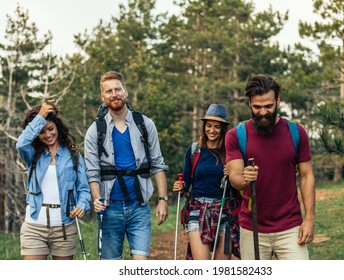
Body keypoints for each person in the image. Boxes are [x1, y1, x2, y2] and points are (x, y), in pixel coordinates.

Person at [225, 74, 315, 260]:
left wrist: (309, 219)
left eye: (268, 106)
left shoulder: (296, 132)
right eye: (257, 107)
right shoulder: (235, 135)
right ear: (249, 102)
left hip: (290, 226)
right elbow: (234, 176)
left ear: (278, 100)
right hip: (252, 228)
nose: (263, 112)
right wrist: (244, 179)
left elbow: (306, 176)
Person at [84, 71, 169, 260]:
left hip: (139, 206)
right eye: (109, 91)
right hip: (109, 208)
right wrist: (97, 198)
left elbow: (157, 163)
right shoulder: (95, 131)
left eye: (117, 89)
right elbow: (92, 171)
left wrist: (163, 199)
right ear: (102, 96)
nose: (114, 94)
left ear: (125, 91)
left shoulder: (145, 124)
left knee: (140, 264)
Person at [16, 101, 91, 260]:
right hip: (34, 227)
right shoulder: (32, 154)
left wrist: (82, 205)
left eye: (50, 129)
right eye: (42, 131)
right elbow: (21, 143)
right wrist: (41, 117)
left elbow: (83, 189)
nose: (48, 135)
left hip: (64, 227)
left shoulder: (73, 155)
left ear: (58, 128)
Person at [173, 103, 240, 260]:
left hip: (224, 210)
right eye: (209, 126)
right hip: (197, 209)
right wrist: (181, 186)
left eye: (217, 127)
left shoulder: (231, 152)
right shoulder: (194, 150)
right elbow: (187, 181)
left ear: (223, 128)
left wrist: (231, 174)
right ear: (204, 127)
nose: (212, 130)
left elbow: (238, 183)